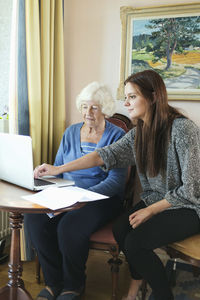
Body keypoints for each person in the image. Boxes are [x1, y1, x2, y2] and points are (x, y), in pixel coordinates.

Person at [34, 70, 200, 300]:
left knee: (135, 242)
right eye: (126, 97)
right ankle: (146, 277)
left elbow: (192, 189)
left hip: (188, 206)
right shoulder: (138, 133)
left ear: (152, 97)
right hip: (155, 200)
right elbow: (102, 156)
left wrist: (149, 210)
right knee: (121, 229)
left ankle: (162, 294)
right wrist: (57, 169)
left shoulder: (183, 130)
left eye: (132, 97)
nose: (126, 103)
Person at [25, 81, 127, 300]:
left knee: (70, 226)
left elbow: (117, 181)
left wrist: (82, 198)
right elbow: (59, 170)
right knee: (34, 219)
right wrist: (43, 175)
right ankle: (54, 282)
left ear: (105, 109)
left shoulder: (117, 136)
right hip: (68, 193)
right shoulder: (71, 132)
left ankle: (73, 285)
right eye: (84, 106)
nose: (87, 112)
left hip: (102, 198)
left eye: (94, 107)